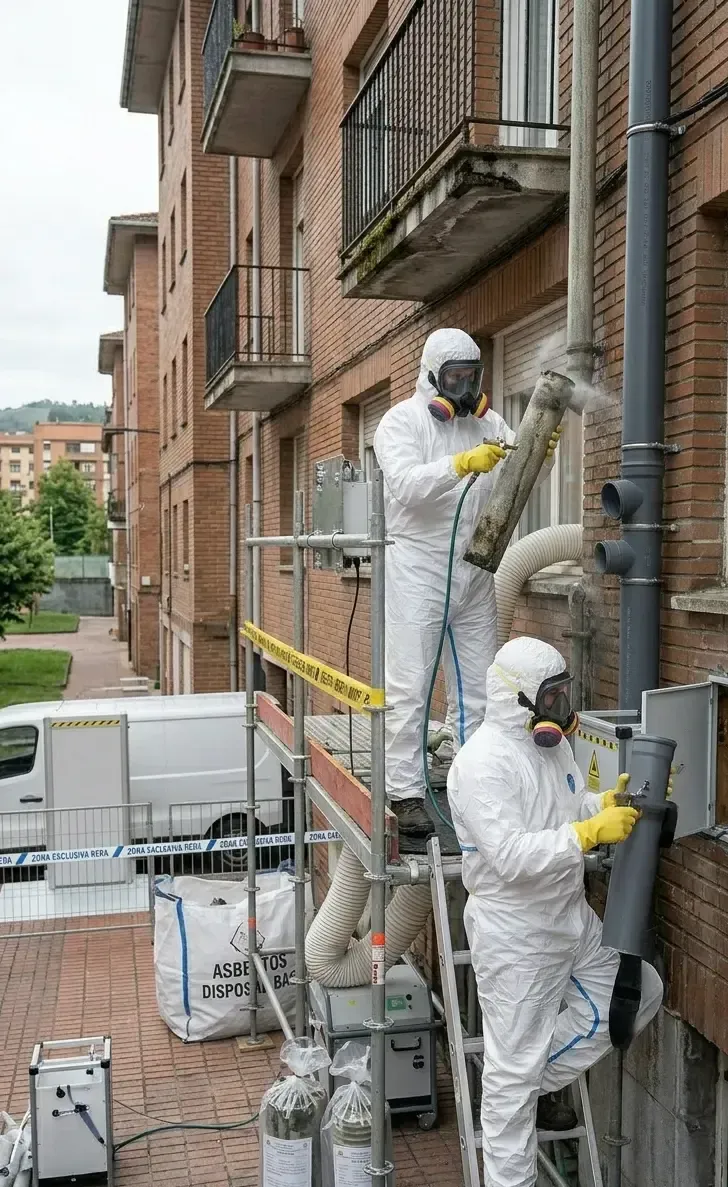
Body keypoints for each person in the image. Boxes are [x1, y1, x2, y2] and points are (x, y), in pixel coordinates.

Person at [447, 636, 663, 1187]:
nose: (561, 708)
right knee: (510, 1087)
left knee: (638, 992)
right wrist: (588, 833)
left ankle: (524, 1080)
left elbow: (563, 809)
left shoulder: (553, 748)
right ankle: (512, 1130)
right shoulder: (481, 765)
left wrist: (600, 805)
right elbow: (511, 856)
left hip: (569, 912)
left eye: (563, 694)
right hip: (516, 932)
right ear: (517, 698)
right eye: (551, 698)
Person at [373, 328, 560, 836]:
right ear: (432, 376)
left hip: (475, 567)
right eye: (454, 378)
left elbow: (514, 480)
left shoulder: (489, 424)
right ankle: (405, 793)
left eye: (471, 378)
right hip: (419, 568)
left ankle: (470, 786)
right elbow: (406, 487)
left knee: (479, 687)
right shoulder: (401, 422)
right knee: (410, 685)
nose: (464, 389)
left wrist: (539, 456)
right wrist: (458, 464)